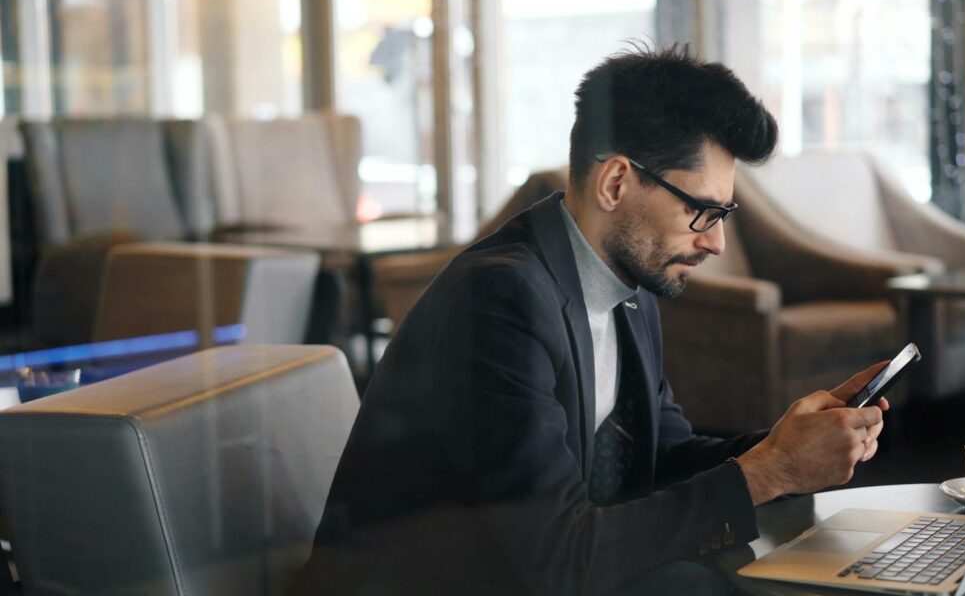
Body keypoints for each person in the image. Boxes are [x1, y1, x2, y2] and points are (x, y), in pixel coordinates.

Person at [293, 44, 889, 596]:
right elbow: (556, 559)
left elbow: (661, 459)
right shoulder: (498, 299)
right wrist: (771, 470)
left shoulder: (628, 289)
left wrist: (786, 449)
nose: (717, 243)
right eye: (703, 211)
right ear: (616, 183)